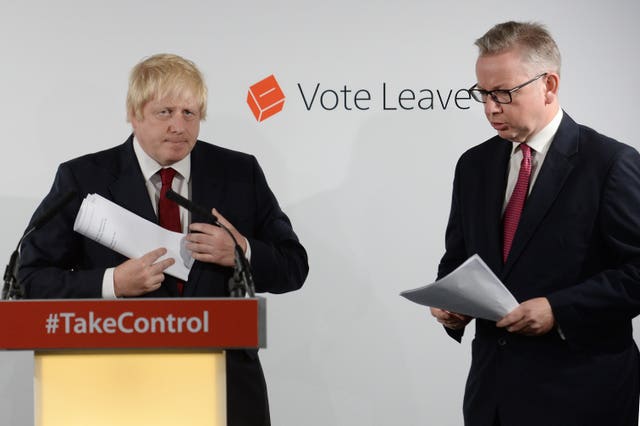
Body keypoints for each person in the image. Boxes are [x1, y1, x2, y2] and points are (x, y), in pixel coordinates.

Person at [18, 53, 309, 426]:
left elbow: (294, 267)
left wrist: (241, 253)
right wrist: (112, 283)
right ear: (134, 114)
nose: (178, 125)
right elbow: (29, 280)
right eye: (165, 112)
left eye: (189, 113)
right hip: (119, 386)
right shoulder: (83, 178)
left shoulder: (240, 173)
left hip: (227, 387)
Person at [430, 21, 640, 426]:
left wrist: (558, 310)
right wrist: (452, 301)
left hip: (582, 395)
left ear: (549, 85)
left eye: (504, 93)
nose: (490, 108)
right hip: (491, 397)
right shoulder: (473, 165)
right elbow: (459, 257)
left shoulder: (610, 164)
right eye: (483, 94)